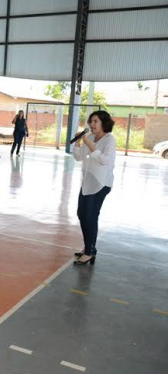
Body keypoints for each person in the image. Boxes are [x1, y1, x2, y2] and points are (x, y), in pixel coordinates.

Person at [72, 111, 116, 266]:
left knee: (90, 216)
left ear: (104, 122)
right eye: (90, 121)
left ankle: (90, 252)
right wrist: (78, 143)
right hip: (87, 182)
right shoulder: (89, 137)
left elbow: (105, 160)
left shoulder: (109, 140)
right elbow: (78, 157)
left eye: (95, 121)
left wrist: (89, 144)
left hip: (100, 184)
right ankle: (89, 248)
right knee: (82, 214)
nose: (91, 124)